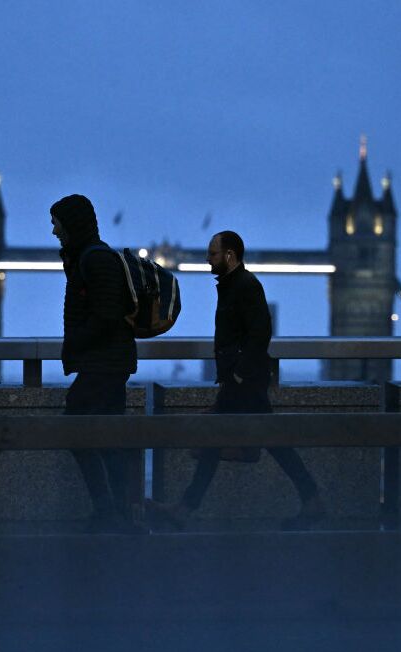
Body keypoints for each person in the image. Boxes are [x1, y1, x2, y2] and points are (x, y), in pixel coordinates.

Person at [146, 230, 325, 531]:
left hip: (245, 382)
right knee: (258, 440)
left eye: (213, 254)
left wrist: (239, 374)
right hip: (242, 381)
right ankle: (312, 499)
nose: (207, 259)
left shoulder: (245, 286)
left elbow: (260, 333)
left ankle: (185, 509)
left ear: (229, 255)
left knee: (223, 438)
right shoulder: (235, 285)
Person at [51, 194, 141, 533]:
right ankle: (119, 516)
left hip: (105, 364)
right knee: (108, 439)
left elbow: (107, 315)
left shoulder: (96, 259)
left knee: (75, 430)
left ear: (71, 224)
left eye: (57, 223)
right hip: (107, 363)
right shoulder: (86, 257)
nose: (54, 231)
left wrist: (75, 341)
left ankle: (109, 511)